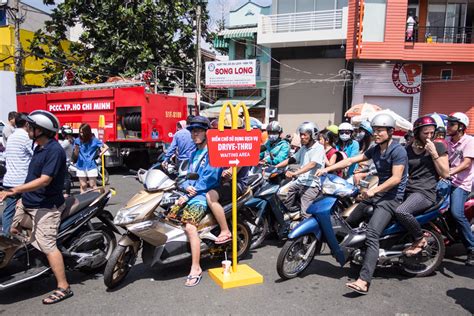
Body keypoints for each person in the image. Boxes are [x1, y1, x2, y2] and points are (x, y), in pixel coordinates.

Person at [317, 113, 408, 294]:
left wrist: (374, 191)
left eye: (380, 130)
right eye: (374, 130)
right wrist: (327, 168)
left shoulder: (398, 151)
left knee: (373, 234)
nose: (376, 133)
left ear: (390, 131)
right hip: (377, 193)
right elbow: (351, 160)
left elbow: (396, 178)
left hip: (391, 198)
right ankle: (354, 252)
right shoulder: (375, 149)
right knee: (349, 219)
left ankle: (364, 280)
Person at [0, 110, 72, 304]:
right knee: (10, 232)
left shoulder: (54, 150)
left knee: (48, 245)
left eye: (31, 126)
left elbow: (44, 180)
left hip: (46, 206)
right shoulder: (38, 146)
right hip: (27, 202)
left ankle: (63, 286)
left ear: (41, 130)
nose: (27, 128)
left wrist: (13, 190)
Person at [167, 116, 222, 286]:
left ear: (207, 132)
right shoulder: (193, 153)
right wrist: (184, 187)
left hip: (202, 196)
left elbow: (209, 178)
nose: (194, 133)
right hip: (190, 194)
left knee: (191, 227)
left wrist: (191, 192)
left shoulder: (213, 152)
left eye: (198, 130)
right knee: (169, 216)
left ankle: (196, 267)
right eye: (192, 130)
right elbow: (186, 175)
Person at [394, 116, 449, 256]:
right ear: (417, 133)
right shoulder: (407, 149)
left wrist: (434, 153)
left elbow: (445, 173)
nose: (429, 136)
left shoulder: (439, 147)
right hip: (407, 190)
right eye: (425, 133)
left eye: (432, 133)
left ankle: (420, 240)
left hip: (425, 193)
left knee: (402, 211)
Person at [207, 117, 249, 245]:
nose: (225, 132)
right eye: (224, 129)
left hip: (237, 183)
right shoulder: (220, 146)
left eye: (228, 129)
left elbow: (232, 172)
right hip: (222, 181)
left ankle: (225, 230)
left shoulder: (242, 148)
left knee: (211, 196)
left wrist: (227, 172)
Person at [275, 122, 325, 218]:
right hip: (300, 182)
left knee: (305, 214)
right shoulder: (303, 148)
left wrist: (295, 173)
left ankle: (308, 231)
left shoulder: (319, 148)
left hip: (311, 185)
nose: (302, 137)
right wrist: (276, 167)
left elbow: (312, 164)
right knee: (283, 202)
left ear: (313, 135)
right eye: (301, 134)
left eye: (304, 135)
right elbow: (292, 159)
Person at [446, 112, 474, 266]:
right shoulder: (447, 141)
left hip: (461, 183)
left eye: (451, 124)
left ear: (461, 127)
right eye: (448, 123)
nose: (448, 127)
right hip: (447, 181)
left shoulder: (469, 141)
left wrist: (448, 172)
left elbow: (466, 164)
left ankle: (471, 247)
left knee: (456, 213)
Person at [1, 113, 33, 236]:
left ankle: (6, 237)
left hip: (9, 180)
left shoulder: (12, 137)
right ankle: (32, 238)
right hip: (23, 181)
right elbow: (36, 156)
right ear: (27, 124)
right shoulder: (26, 137)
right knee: (31, 209)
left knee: (9, 211)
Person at [73, 124, 109, 193]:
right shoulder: (77, 140)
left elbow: (106, 147)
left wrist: (100, 153)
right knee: (83, 185)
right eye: (80, 132)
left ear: (87, 132)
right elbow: (76, 154)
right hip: (80, 165)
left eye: (83, 132)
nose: (81, 134)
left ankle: (100, 197)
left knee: (92, 185)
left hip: (91, 165)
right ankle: (83, 201)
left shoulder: (94, 140)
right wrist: (76, 150)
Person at [59, 126, 75, 196]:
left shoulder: (66, 142)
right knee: (66, 178)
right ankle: (67, 192)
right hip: (68, 161)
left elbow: (58, 149)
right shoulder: (71, 140)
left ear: (63, 134)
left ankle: (67, 193)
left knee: (65, 178)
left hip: (65, 162)